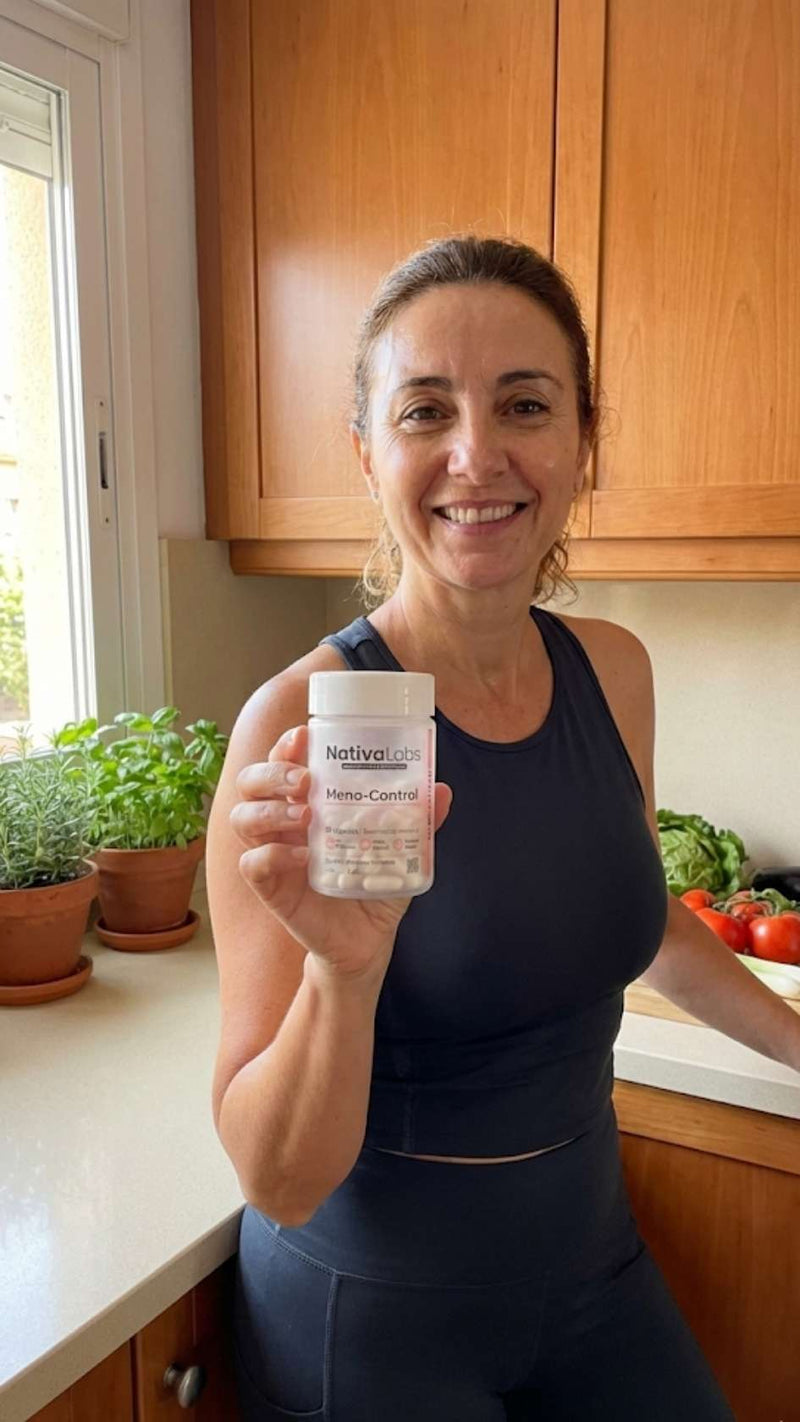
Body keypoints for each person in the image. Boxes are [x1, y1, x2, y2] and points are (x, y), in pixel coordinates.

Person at [206, 235, 738, 1419]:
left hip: (591, 1259)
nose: (475, 455)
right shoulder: (297, 724)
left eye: (523, 404)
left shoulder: (612, 671)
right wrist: (345, 973)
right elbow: (275, 1178)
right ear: (366, 452)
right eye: (425, 410)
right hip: (373, 1308)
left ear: (583, 441)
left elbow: (644, 922)